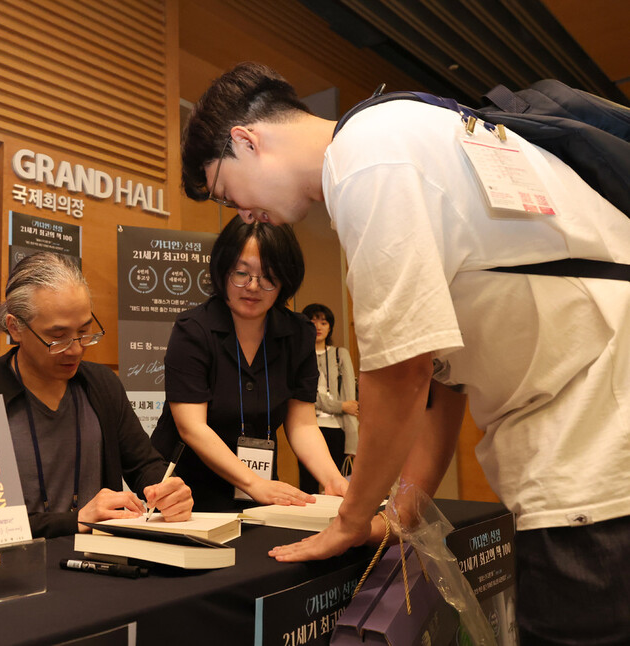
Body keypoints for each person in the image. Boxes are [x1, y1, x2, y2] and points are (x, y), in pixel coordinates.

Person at [180, 61, 630, 643]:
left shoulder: (371, 157)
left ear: (246, 140)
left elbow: (400, 370)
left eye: (225, 190)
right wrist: (401, 512)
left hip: (593, 454)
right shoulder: (403, 133)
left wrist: (348, 520)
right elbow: (444, 377)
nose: (243, 214)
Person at [0, 252, 193, 538]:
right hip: (10, 570)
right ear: (16, 328)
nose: (75, 349)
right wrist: (73, 521)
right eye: (58, 336)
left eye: (85, 331)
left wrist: (167, 490)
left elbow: (143, 465)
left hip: (101, 566)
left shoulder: (101, 384)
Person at [151, 215, 349, 512]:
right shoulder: (193, 330)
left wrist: (333, 480)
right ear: (222, 271)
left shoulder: (298, 333)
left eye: (268, 276)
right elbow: (192, 427)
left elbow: (303, 423)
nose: (253, 286)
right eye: (241, 273)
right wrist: (254, 483)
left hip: (261, 492)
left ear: (285, 279)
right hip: (187, 494)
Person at [297, 303, 358, 493]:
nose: (318, 326)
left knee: (336, 486)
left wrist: (353, 443)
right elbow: (307, 395)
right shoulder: (298, 356)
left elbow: (352, 403)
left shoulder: (341, 354)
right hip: (306, 428)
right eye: (313, 321)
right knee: (307, 486)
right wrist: (340, 406)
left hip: (336, 430)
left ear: (330, 326)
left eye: (324, 322)